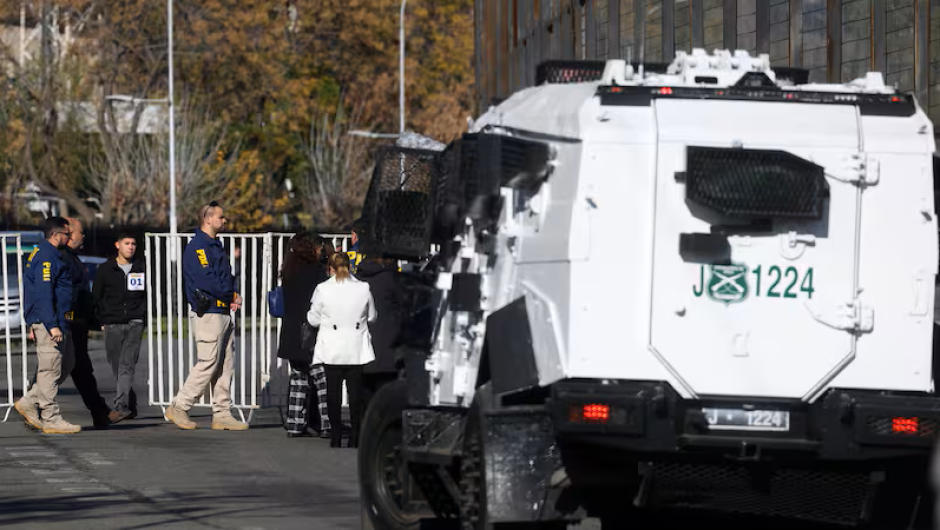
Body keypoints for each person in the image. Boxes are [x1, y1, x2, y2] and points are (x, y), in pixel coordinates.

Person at [164, 201, 247, 431]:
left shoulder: (215, 245)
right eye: (221, 217)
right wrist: (231, 294)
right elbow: (207, 280)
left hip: (222, 311)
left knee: (225, 366)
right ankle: (179, 406)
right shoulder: (198, 247)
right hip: (209, 313)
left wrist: (230, 295)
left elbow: (225, 276)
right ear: (208, 219)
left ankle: (222, 414)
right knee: (208, 363)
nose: (224, 220)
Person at [15, 217, 80, 434]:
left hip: (60, 320)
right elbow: (43, 294)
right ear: (55, 235)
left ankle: (29, 401)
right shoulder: (46, 257)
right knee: (50, 369)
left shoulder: (52, 254)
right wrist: (51, 325)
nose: (69, 238)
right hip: (50, 322)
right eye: (66, 234)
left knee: (66, 364)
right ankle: (51, 417)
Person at [307, 252, 377, 448]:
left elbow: (313, 319)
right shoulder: (363, 288)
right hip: (356, 345)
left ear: (330, 268)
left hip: (332, 346)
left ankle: (336, 436)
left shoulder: (322, 289)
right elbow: (372, 316)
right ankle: (355, 436)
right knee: (355, 394)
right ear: (350, 266)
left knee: (333, 393)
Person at [59, 217, 112, 429]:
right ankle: (33, 405)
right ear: (69, 234)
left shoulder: (72, 258)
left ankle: (100, 412)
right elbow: (66, 295)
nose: (83, 237)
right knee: (55, 369)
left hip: (77, 323)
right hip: (68, 323)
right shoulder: (62, 258)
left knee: (80, 370)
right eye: (81, 232)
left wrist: (90, 319)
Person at [276, 232, 329, 438]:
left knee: (298, 378)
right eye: (319, 246)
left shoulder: (289, 271)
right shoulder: (316, 273)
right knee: (321, 379)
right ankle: (327, 423)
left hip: (291, 332)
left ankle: (295, 424)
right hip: (310, 332)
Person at [93, 231, 146, 424]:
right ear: (118, 245)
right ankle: (130, 403)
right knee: (117, 366)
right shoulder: (105, 269)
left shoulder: (141, 268)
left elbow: (147, 295)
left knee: (127, 366)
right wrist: (101, 321)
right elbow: (96, 296)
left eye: (133, 244)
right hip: (112, 323)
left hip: (135, 322)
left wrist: (142, 316)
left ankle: (120, 406)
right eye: (127, 243)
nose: (130, 247)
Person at [356, 254, 404, 415]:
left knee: (364, 405)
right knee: (387, 407)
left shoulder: (357, 280)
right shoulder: (392, 280)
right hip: (388, 350)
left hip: (361, 350)